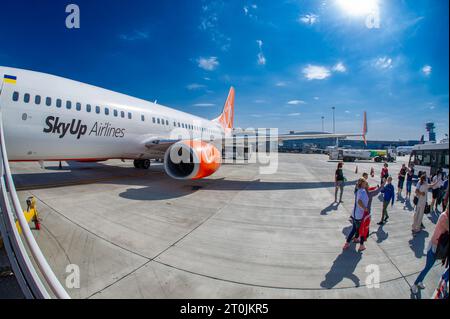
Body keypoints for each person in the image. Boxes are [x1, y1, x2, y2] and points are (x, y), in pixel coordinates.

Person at [411, 208, 449, 294]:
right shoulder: (444, 217)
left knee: (428, 267)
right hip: (434, 246)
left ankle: (420, 282)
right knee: (427, 267)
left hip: (435, 246)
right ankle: (414, 284)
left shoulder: (446, 215)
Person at [344, 178, 369, 252]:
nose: (366, 183)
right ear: (362, 183)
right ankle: (361, 246)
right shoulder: (363, 191)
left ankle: (347, 243)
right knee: (362, 230)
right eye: (365, 182)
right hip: (360, 215)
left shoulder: (358, 190)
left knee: (354, 229)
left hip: (355, 214)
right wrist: (365, 208)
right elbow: (359, 201)